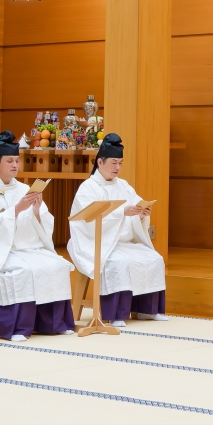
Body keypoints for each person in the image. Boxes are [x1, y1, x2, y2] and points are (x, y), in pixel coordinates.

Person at [0, 130, 75, 341]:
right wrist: (15, 210)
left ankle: (54, 323)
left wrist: (36, 211)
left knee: (56, 265)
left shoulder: (24, 188)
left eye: (16, 160)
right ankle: (17, 327)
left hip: (27, 247)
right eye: (9, 161)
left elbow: (43, 222)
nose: (15, 165)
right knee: (22, 271)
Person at [68, 133, 167, 327]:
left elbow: (134, 207)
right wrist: (122, 213)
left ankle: (146, 310)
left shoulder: (124, 185)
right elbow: (88, 222)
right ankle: (115, 314)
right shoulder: (88, 188)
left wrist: (141, 214)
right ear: (100, 162)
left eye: (120, 163)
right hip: (96, 242)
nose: (117, 168)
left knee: (154, 258)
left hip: (122, 243)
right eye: (113, 163)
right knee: (118, 262)